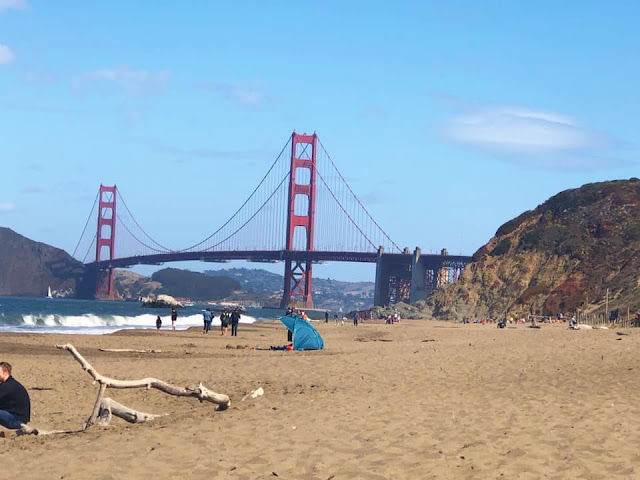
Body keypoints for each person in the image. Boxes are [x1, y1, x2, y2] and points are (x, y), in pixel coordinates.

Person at [0, 362, 30, 430]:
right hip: (14, 415)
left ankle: (20, 426)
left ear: (5, 372)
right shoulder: (9, 384)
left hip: (16, 419)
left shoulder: (8, 386)